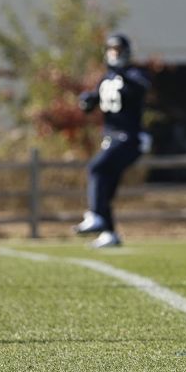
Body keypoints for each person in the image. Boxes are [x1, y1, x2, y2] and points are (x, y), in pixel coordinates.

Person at [74, 33, 151, 249]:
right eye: (112, 50)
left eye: (118, 51)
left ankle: (96, 216)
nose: (115, 55)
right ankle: (109, 233)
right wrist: (88, 100)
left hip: (129, 137)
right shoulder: (105, 78)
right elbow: (94, 102)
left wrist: (122, 74)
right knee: (105, 185)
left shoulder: (135, 73)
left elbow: (140, 88)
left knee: (97, 168)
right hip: (110, 138)